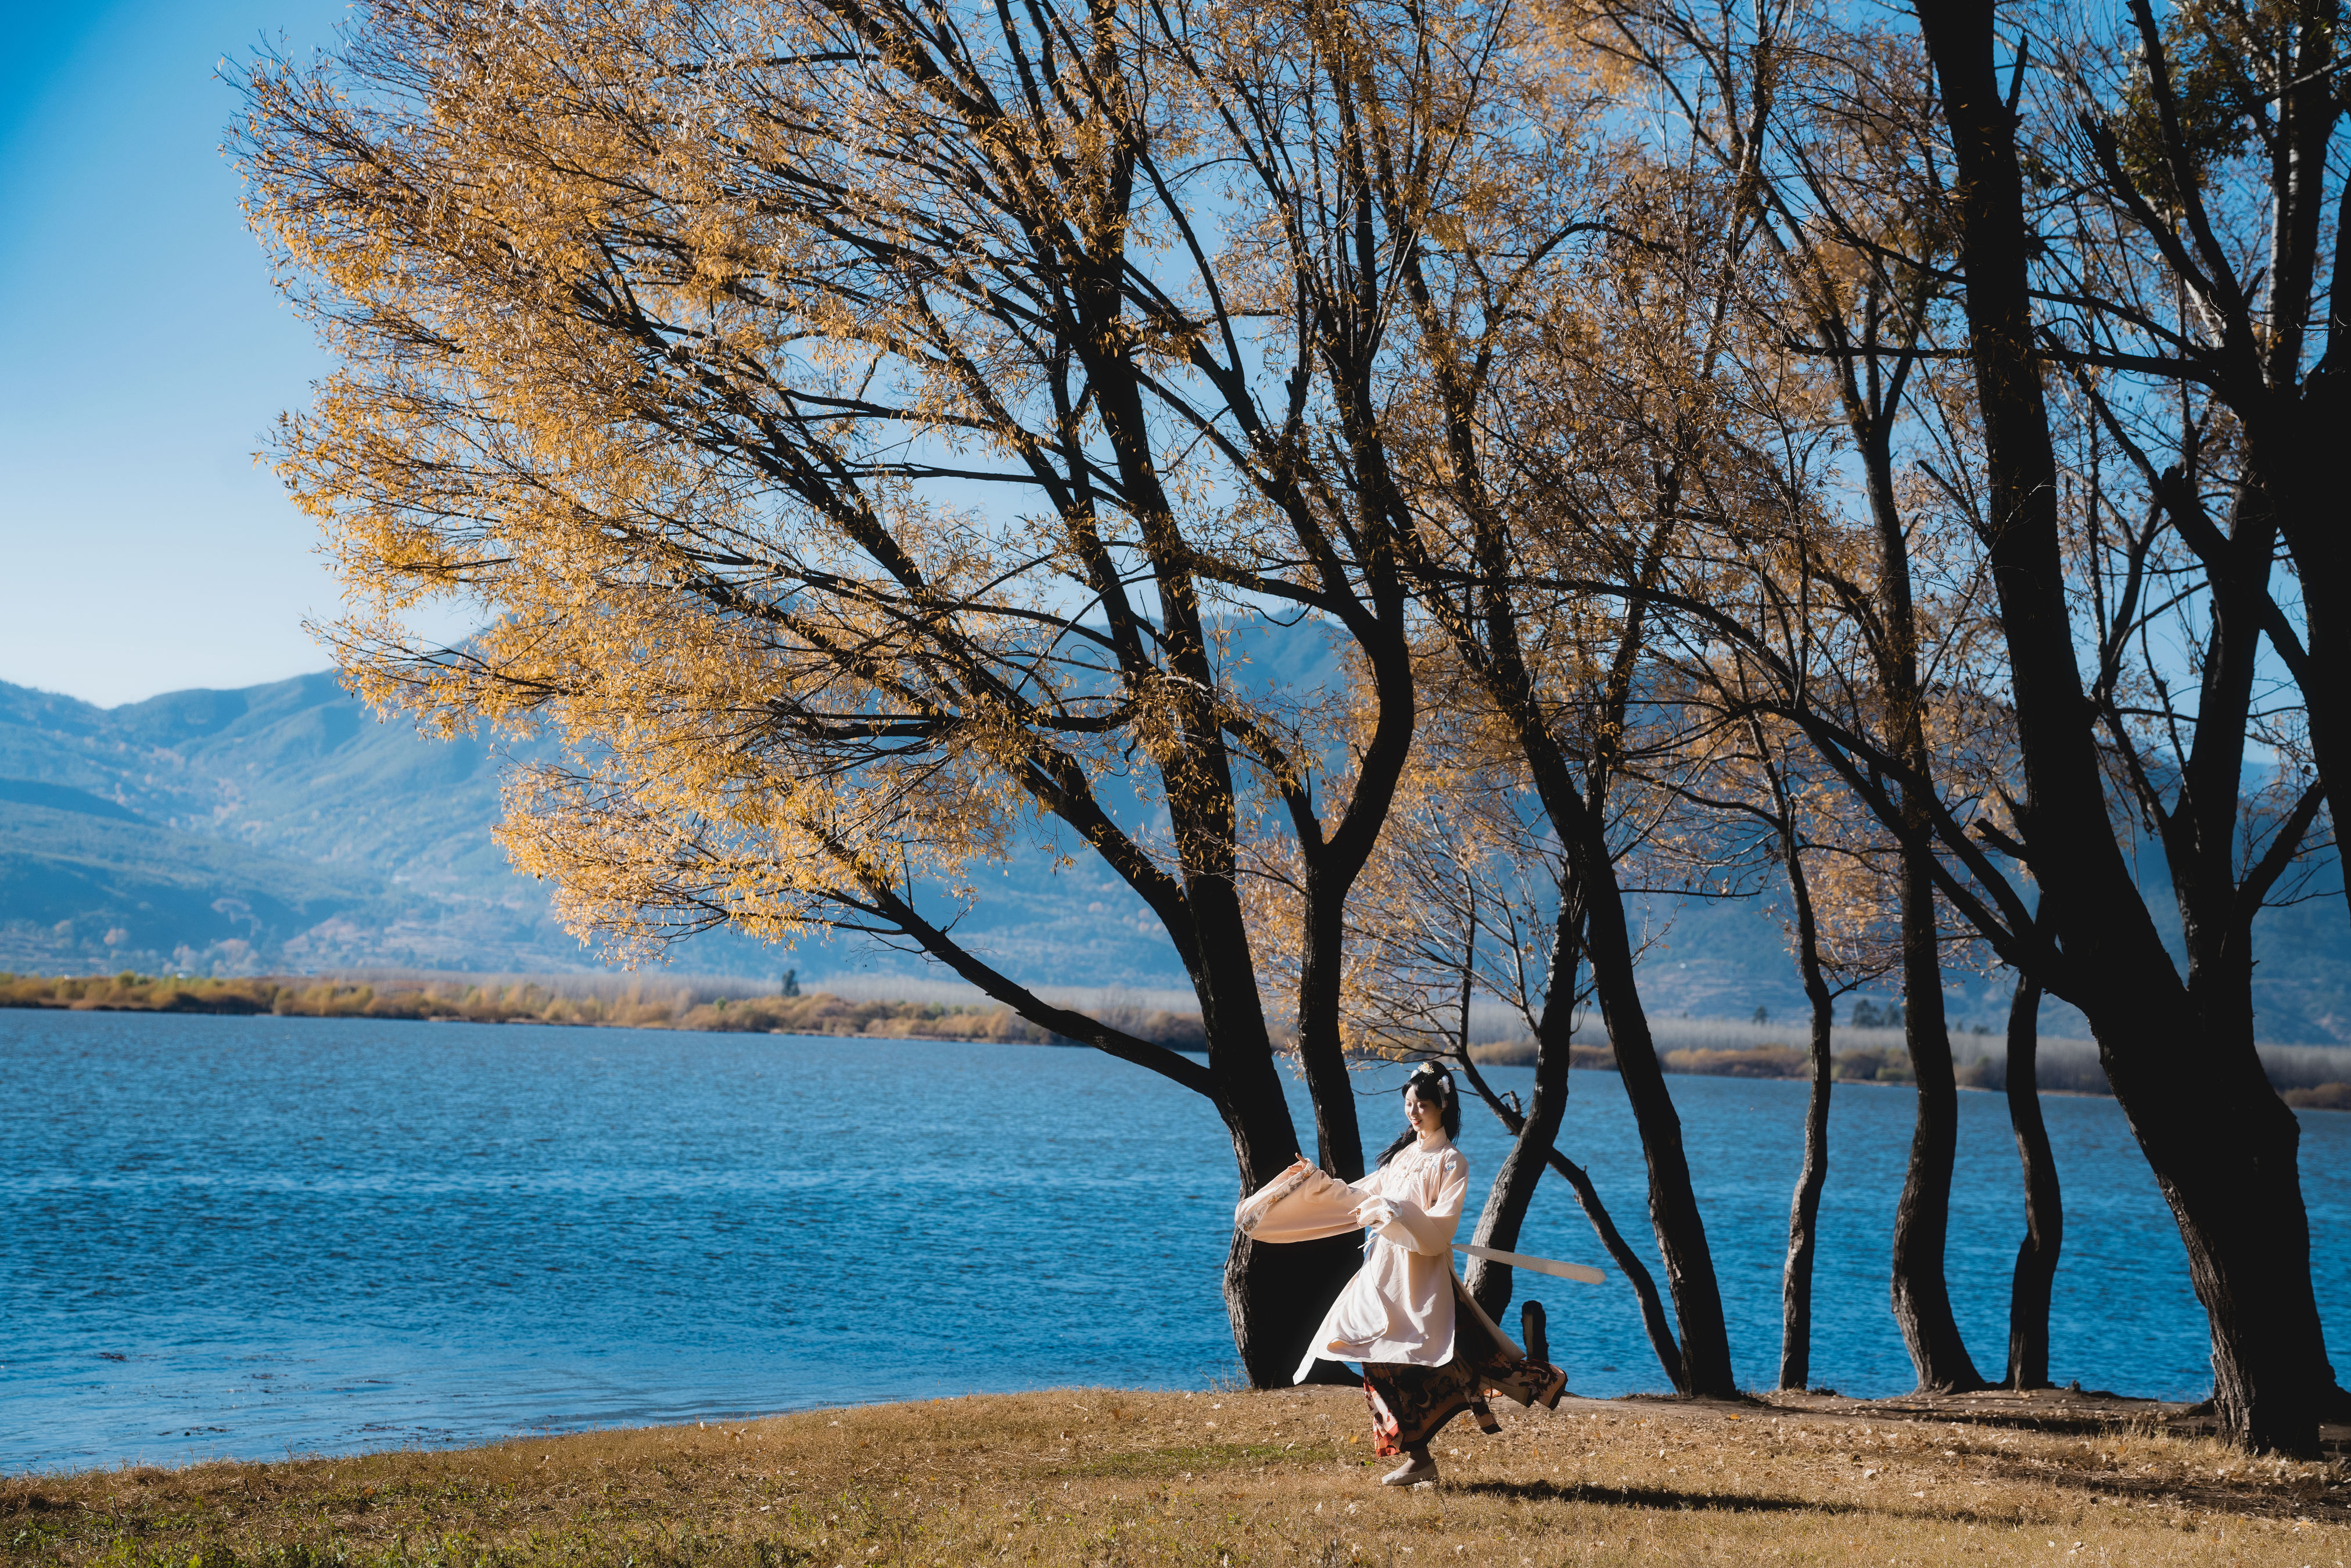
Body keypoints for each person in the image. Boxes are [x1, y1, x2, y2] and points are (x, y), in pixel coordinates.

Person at [1234, 1063, 1566, 1485]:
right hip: (1381, 1274)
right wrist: (1313, 1182)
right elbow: (1358, 1197)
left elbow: (1440, 1228)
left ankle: (1538, 1374)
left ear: (1442, 1106)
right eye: (1408, 1105)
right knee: (1372, 1358)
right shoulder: (1401, 1157)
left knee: (1467, 1360)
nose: (1413, 1113)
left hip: (1422, 1278)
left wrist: (1399, 1211)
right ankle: (1418, 1456)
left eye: (1422, 1105)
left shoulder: (1451, 1162)